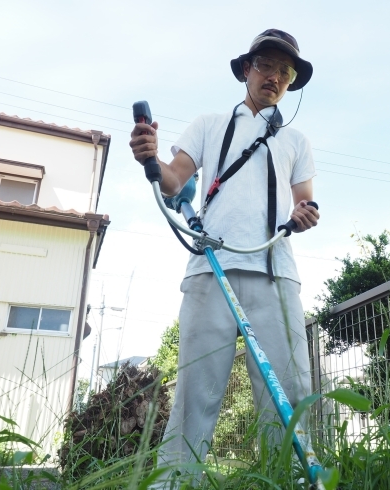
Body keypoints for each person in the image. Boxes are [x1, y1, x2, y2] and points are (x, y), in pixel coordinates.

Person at [130, 28, 319, 486]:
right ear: (246, 70)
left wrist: (304, 213)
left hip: (275, 272)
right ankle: (174, 482)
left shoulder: (296, 142)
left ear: (291, 82)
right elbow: (174, 180)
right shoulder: (209, 124)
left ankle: (293, 479)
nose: (274, 76)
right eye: (266, 65)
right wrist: (150, 158)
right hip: (209, 268)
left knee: (290, 391)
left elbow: (306, 200)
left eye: (285, 71)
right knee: (197, 389)